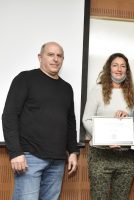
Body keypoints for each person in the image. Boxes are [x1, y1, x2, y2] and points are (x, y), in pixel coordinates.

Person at [2, 42, 79, 200]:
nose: (55, 59)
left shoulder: (67, 88)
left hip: (57, 161)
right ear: (40, 57)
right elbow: (9, 115)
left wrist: (73, 151)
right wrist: (16, 152)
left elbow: (70, 122)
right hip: (30, 158)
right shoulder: (25, 78)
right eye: (50, 55)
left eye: (59, 56)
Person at [82, 53, 134, 200]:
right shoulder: (97, 90)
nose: (119, 69)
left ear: (127, 70)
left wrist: (128, 117)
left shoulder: (131, 94)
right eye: (115, 65)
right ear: (109, 69)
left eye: (123, 66)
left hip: (126, 157)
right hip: (101, 155)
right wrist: (106, 139)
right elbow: (86, 119)